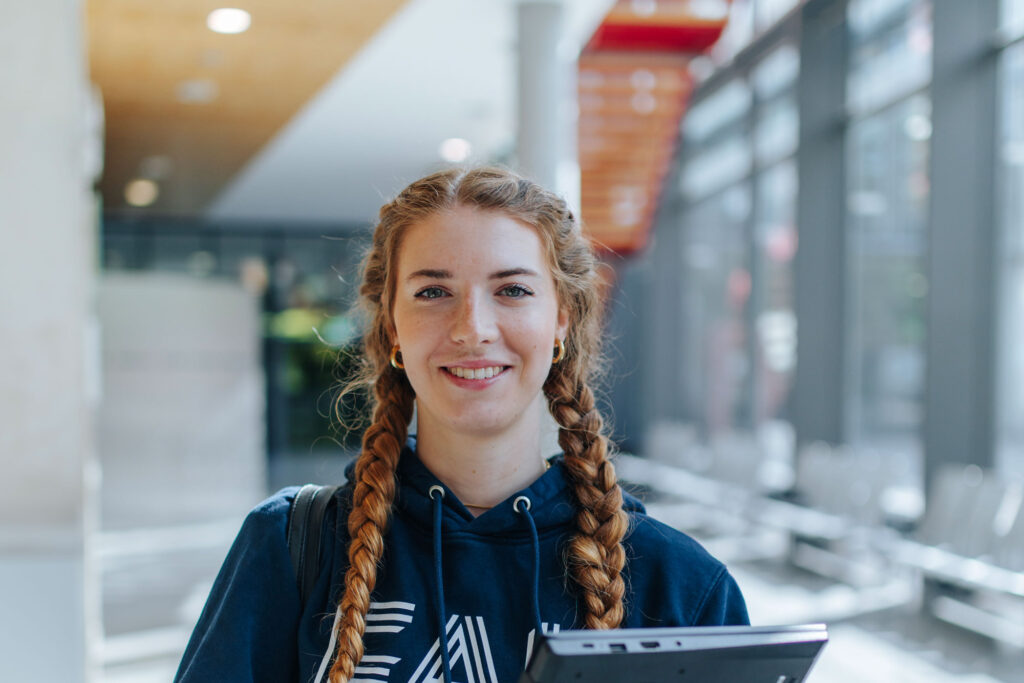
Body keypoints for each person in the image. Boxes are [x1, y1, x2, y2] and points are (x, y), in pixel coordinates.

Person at [174, 167, 748, 683]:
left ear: (561, 320)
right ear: (393, 326)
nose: (473, 328)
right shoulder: (291, 549)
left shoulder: (682, 588)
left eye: (513, 290)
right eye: (432, 292)